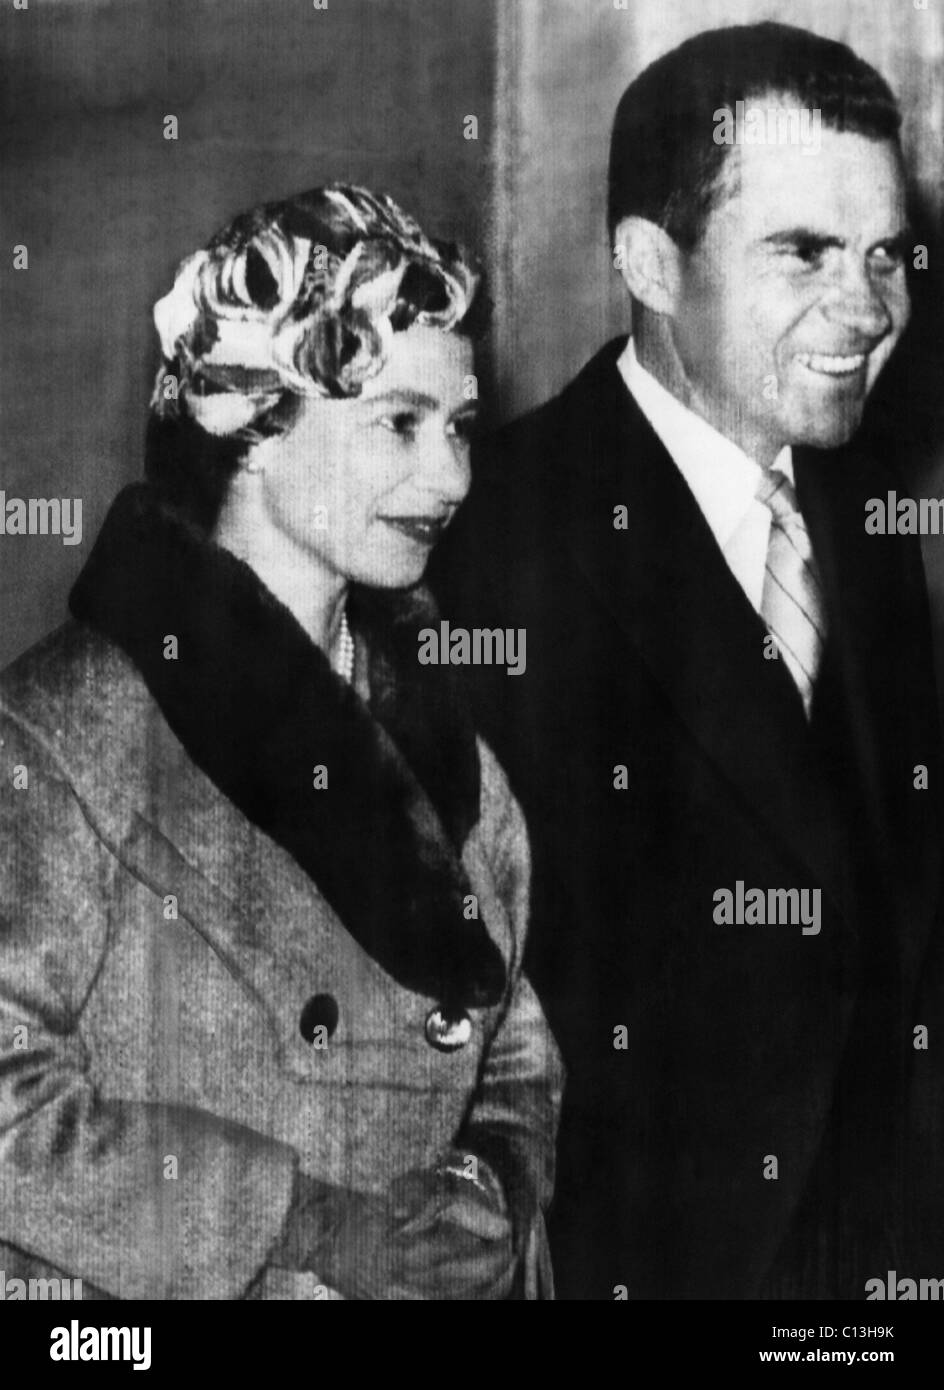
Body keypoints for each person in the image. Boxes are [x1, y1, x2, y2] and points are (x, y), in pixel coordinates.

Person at [432, 23, 944, 1299]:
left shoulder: (858, 505)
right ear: (649, 263)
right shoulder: (486, 544)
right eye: (803, 253)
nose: (867, 306)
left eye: (884, 253)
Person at [0, 184, 562, 1300]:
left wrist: (485, 1176)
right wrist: (301, 1224)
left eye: (455, 426)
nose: (450, 476)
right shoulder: (62, 736)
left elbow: (512, 1046)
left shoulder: (454, 755)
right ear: (252, 423)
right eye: (397, 424)